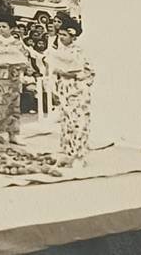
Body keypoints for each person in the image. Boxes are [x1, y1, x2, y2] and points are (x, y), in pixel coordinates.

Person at [44, 17, 95, 167]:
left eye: (65, 35)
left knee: (78, 121)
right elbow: (54, 69)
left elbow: (90, 71)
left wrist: (72, 74)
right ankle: (68, 152)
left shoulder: (80, 51)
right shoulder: (58, 51)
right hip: (64, 89)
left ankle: (79, 155)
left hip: (77, 88)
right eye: (60, 35)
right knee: (66, 121)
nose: (61, 38)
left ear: (73, 36)